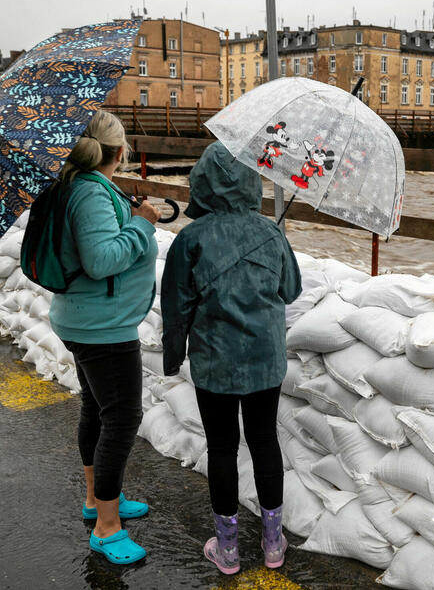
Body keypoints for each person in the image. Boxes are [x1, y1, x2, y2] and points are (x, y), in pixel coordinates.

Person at [161, 143, 301, 576]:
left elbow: (176, 307)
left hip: (215, 362)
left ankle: (228, 550)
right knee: (264, 443)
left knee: (221, 448)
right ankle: (273, 543)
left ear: (201, 184)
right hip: (265, 360)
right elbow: (290, 290)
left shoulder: (190, 239)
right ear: (248, 184)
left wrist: (173, 356)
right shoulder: (271, 232)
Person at [48, 110, 161, 565]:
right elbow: (100, 260)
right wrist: (142, 225)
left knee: (96, 408)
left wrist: (130, 214)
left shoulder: (78, 184)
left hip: (86, 319)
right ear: (118, 151)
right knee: (122, 418)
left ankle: (97, 501)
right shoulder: (90, 192)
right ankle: (107, 528)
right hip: (102, 328)